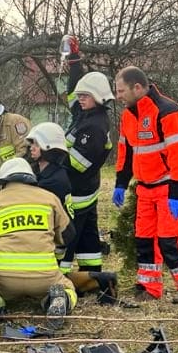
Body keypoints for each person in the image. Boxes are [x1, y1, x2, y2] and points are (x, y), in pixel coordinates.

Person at [113, 66, 178, 300]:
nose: (118, 96)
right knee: (144, 239)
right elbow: (125, 151)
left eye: (121, 91)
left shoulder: (168, 111)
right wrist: (120, 182)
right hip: (145, 187)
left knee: (169, 240)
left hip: (170, 186)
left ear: (137, 88)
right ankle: (149, 287)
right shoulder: (128, 115)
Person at [0, 157, 78, 328]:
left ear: (3, 181)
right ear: (31, 178)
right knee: (67, 287)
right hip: (45, 276)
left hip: (5, 278)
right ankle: (59, 299)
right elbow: (68, 235)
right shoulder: (49, 198)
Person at [26, 122, 119, 304]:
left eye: (35, 144)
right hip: (53, 240)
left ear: (48, 148)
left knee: (49, 283)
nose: (31, 148)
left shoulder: (53, 181)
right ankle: (96, 279)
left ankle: (98, 281)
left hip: (54, 244)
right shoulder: (48, 173)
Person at [58, 36, 114, 276]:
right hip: (85, 188)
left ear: (98, 97)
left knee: (70, 232)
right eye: (81, 96)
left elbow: (78, 164)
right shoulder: (85, 113)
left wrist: (50, 157)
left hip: (80, 189)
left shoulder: (95, 126)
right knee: (89, 234)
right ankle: (93, 275)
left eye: (85, 96)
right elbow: (72, 91)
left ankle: (61, 276)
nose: (80, 99)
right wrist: (73, 61)